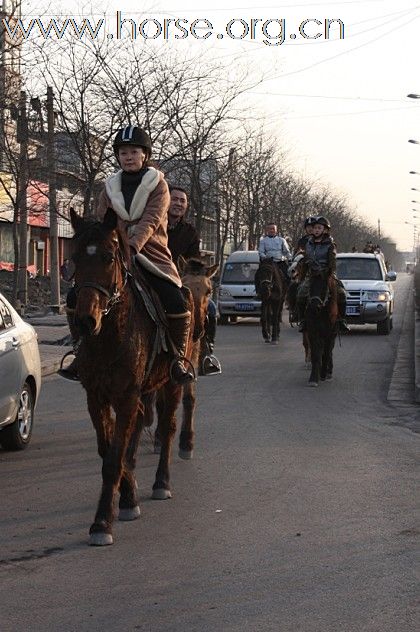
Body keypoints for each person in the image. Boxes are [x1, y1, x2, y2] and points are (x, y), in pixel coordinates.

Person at [59, 125, 194, 385]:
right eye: (123, 153)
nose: (128, 157)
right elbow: (103, 220)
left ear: (145, 154)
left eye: (134, 152)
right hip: (115, 253)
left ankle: (178, 358)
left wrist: (132, 245)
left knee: (175, 301)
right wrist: (110, 245)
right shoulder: (109, 188)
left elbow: (152, 220)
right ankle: (80, 352)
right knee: (76, 296)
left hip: (151, 253)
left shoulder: (159, 186)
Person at [167, 185, 221, 375]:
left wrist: (189, 271)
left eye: (182, 201)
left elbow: (194, 260)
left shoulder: (189, 231)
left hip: (181, 279)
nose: (178, 204)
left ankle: (206, 354)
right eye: (174, 199)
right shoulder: (154, 223)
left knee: (211, 309)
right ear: (165, 200)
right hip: (155, 274)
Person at [296, 216, 350, 333]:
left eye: (319, 228)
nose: (316, 230)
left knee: (341, 293)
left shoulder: (330, 244)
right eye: (315, 228)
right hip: (312, 275)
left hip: (327, 274)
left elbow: (332, 261)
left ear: (325, 230)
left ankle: (342, 320)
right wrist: (301, 277)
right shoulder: (308, 244)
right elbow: (306, 261)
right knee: (301, 292)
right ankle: (302, 320)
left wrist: (329, 273)